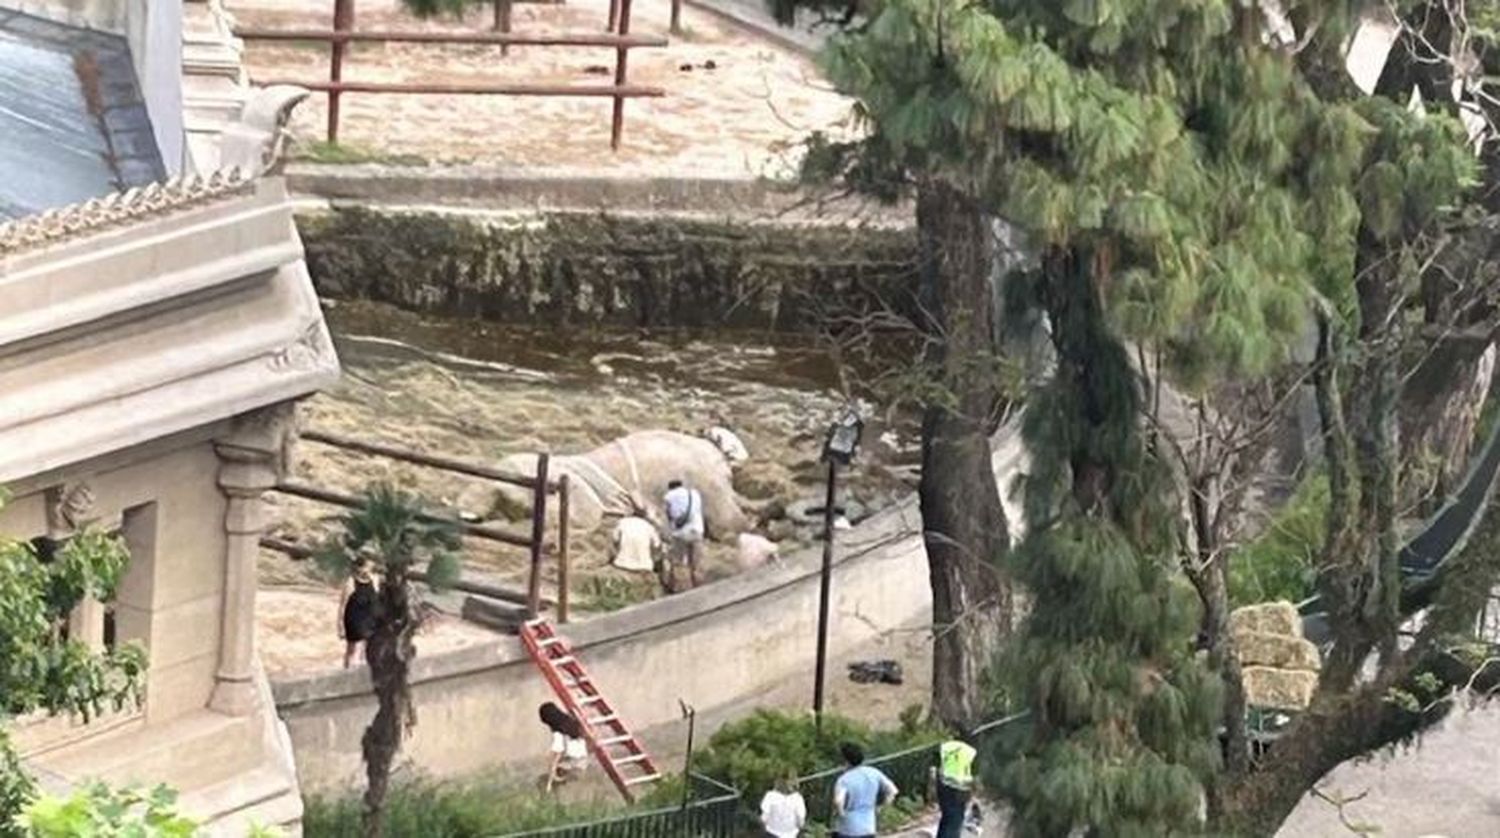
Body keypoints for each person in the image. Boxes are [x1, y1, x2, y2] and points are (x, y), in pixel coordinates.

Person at [831, 742, 897, 838]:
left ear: (846, 760)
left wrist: (842, 814)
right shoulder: (874, 772)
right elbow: (892, 791)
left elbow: (838, 801)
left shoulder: (844, 779)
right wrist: (881, 807)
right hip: (869, 825)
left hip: (848, 829)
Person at [661, 479, 705, 592]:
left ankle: (681, 589)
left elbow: (668, 515)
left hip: (680, 534)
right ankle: (699, 587)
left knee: (679, 562)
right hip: (696, 531)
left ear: (670, 487)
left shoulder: (668, 496)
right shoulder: (694, 493)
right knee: (696, 562)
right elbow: (699, 511)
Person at [932, 733, 978, 838]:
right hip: (960, 789)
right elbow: (973, 773)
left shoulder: (945, 747)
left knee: (946, 817)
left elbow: (936, 765)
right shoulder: (970, 751)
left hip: (943, 785)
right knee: (955, 821)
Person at [338, 559, 380, 669]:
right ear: (359, 568)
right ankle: (347, 670)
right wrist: (340, 625)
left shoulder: (375, 580)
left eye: (370, 567)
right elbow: (342, 605)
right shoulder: (351, 582)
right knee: (351, 648)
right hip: (354, 618)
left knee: (368, 647)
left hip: (370, 618)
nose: (367, 570)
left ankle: (363, 671)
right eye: (366, 567)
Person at [539, 702, 589, 791]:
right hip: (582, 765)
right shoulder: (575, 725)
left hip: (570, 768)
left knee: (542, 781)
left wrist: (550, 782)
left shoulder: (559, 734)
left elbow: (554, 759)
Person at [612, 500, 661, 573]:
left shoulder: (622, 522)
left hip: (621, 564)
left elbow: (615, 540)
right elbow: (657, 545)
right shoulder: (649, 527)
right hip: (644, 566)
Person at [759, 770, 807, 838]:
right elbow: (801, 823)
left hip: (771, 834)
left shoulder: (770, 796)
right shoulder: (798, 799)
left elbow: (764, 818)